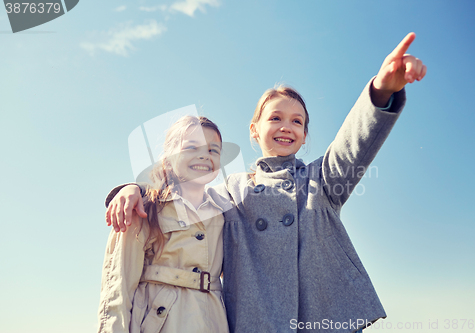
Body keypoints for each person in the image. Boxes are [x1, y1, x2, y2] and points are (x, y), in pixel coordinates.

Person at [105, 33, 426, 333]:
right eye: (275, 118)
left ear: (304, 136)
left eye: (297, 121)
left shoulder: (322, 180)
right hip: (253, 320)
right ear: (254, 130)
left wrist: (382, 89)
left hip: (318, 320)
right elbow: (182, 195)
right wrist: (132, 189)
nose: (286, 127)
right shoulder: (231, 189)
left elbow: (353, 143)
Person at [98, 116, 230, 333]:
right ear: (168, 158)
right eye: (191, 147)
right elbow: (117, 288)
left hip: (212, 322)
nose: (204, 155)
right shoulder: (143, 207)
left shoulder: (223, 214)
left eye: (213, 150)